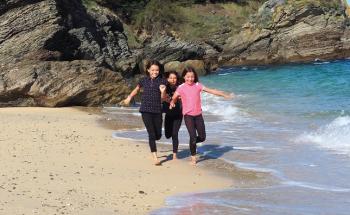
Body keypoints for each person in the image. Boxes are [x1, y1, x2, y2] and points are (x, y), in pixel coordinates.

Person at [170, 67, 234, 165]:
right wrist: (172, 103)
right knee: (193, 136)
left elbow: (211, 91)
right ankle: (193, 158)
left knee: (202, 137)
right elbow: (174, 97)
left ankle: (193, 141)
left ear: (195, 76)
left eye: (192, 76)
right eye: (188, 77)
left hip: (198, 115)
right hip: (188, 116)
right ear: (184, 77)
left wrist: (224, 95)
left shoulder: (198, 85)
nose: (190, 79)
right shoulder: (181, 87)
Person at [123, 60, 167, 165]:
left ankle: (155, 145)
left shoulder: (163, 81)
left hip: (157, 111)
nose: (155, 72)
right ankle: (155, 157)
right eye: (152, 70)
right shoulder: (143, 80)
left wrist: (163, 91)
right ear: (148, 70)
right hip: (145, 110)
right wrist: (129, 98)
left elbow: (163, 99)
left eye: (157, 70)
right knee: (151, 134)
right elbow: (137, 90)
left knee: (158, 135)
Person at [162, 71, 183, 160]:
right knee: (167, 135)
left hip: (178, 114)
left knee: (175, 134)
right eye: (171, 78)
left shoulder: (180, 87)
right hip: (168, 114)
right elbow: (162, 98)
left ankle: (175, 155)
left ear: (177, 79)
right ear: (167, 79)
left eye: (174, 78)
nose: (173, 80)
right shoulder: (164, 87)